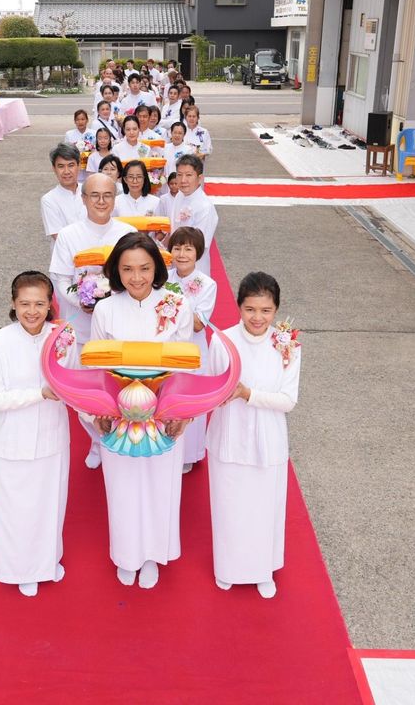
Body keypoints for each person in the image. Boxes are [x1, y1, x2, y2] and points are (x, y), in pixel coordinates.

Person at [90, 232, 193, 589]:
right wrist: (98, 411)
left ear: (157, 268)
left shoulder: (176, 304)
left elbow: (186, 366)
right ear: (116, 271)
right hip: (119, 414)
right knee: (121, 484)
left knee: (160, 483)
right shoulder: (105, 309)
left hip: (164, 412)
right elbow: (98, 368)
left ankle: (153, 554)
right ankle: (126, 554)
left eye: (145, 268)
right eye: (128, 269)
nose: (137, 277)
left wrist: (184, 413)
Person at [0, 270, 78, 597]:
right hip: (9, 442)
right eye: (25, 304)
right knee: (15, 510)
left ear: (51, 304)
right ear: (13, 303)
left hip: (52, 437)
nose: (33, 311)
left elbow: (74, 383)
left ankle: (47, 562)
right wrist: (41, 393)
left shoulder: (63, 336)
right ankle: (17, 569)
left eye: (40, 303)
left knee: (50, 504)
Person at [206, 271, 300, 599]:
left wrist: (248, 394)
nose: (257, 318)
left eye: (265, 311)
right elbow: (209, 386)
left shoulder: (288, 346)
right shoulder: (222, 340)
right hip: (228, 435)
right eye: (250, 309)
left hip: (269, 438)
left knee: (264, 507)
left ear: (276, 310)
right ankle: (228, 568)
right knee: (229, 504)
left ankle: (263, 570)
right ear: (239, 307)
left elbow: (288, 400)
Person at [49, 173, 136, 467]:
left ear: (115, 199)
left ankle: (116, 437)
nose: (101, 201)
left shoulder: (127, 234)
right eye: (94, 195)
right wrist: (81, 301)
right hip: (81, 324)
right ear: (83, 199)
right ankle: (97, 439)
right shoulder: (69, 235)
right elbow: (61, 279)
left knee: (116, 386)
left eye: (107, 195)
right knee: (82, 392)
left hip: (120, 325)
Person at [167, 227, 217, 473]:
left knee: (191, 402)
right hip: (165, 349)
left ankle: (190, 453)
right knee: (169, 398)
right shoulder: (162, 279)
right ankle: (168, 447)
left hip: (193, 351)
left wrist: (174, 304)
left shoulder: (207, 284)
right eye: (177, 248)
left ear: (197, 253)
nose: (182, 254)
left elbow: (199, 324)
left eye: (188, 249)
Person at [170, 155, 218, 276]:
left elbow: (200, 245)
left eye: (189, 175)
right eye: (179, 175)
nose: (183, 180)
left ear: (200, 178)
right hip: (177, 260)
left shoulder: (205, 207)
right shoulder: (179, 196)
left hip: (195, 266)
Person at [40, 145, 85, 250]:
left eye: (71, 165)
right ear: (54, 169)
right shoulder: (49, 200)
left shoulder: (90, 191)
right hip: (65, 260)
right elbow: (58, 236)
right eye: (61, 166)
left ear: (79, 166)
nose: (66, 171)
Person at [64, 109, 96, 183]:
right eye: (77, 120)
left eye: (82, 119)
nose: (80, 122)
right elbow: (66, 151)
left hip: (90, 167)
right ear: (75, 121)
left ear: (87, 120)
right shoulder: (69, 134)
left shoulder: (93, 133)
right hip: (76, 167)